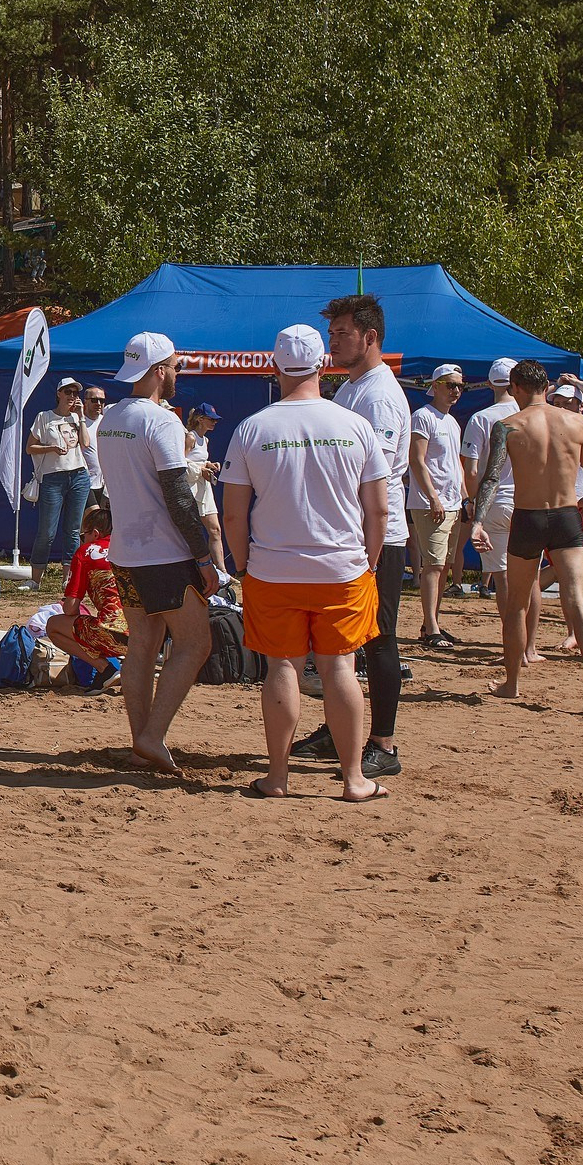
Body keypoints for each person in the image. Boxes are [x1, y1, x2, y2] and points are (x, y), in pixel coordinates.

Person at [220, 325, 389, 803]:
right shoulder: (354, 425)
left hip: (274, 569)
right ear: (323, 365)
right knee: (340, 670)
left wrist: (246, 563)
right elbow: (377, 508)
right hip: (343, 569)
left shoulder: (253, 427)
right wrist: (370, 560)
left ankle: (277, 776)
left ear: (275, 366)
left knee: (283, 669)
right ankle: (354, 779)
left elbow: (234, 511)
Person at [93, 331, 219, 773]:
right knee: (194, 643)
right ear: (160, 370)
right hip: (164, 550)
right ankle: (151, 737)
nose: (178, 375)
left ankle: (141, 741)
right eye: (176, 368)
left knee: (143, 645)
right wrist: (204, 557)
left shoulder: (108, 418)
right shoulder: (161, 421)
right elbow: (178, 496)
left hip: (126, 548)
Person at [297, 295, 408, 783]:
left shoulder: (379, 394)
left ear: (370, 337)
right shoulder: (352, 389)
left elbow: (372, 476)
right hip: (352, 531)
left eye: (342, 333)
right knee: (342, 640)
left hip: (377, 533)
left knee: (379, 637)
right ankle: (337, 729)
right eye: (331, 333)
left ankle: (383, 742)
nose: (332, 342)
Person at [483, 360, 583, 711]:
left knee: (517, 605)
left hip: (528, 517)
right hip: (567, 515)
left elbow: (491, 479)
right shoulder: (576, 421)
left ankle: (511, 684)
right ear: (547, 387)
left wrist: (477, 521)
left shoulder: (508, 425)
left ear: (516, 387)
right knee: (578, 600)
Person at [407, 364, 467, 646]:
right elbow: (416, 461)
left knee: (443, 566)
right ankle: (431, 628)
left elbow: (455, 464)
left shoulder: (451, 422)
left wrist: (464, 499)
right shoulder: (423, 416)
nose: (456, 391)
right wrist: (432, 497)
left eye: (460, 386)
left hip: (451, 503)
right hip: (432, 503)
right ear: (437, 385)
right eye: (451, 385)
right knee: (433, 565)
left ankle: (432, 623)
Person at [41, 505, 126, 686]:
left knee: (54, 625)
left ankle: (104, 668)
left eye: (83, 535)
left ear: (95, 534)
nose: (82, 540)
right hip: (150, 634)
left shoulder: (87, 552)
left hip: (113, 633)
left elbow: (71, 608)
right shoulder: (133, 547)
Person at [461, 356, 522, 602]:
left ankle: (512, 634)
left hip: (494, 503)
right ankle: (525, 639)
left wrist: (472, 501)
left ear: (489, 383)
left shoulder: (480, 418)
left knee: (502, 574)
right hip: (528, 501)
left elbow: (472, 471)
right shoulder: (530, 415)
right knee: (529, 576)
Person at [27, 378, 91, 574]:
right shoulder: (44, 417)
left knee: (73, 530)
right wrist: (51, 448)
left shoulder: (76, 418)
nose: (72, 396)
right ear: (59, 394)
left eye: (75, 393)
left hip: (79, 475)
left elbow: (86, 444)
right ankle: (36, 576)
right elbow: (30, 448)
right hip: (53, 477)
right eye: (68, 392)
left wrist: (80, 417)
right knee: (47, 531)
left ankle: (68, 576)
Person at [182, 401, 230, 576]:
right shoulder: (190, 437)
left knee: (215, 529)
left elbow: (198, 459)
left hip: (204, 489)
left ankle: (223, 572)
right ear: (200, 419)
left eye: (215, 420)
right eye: (211, 419)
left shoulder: (206, 439)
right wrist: (200, 470)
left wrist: (209, 464)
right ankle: (195, 570)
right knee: (191, 532)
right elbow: (180, 463)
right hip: (190, 489)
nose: (214, 423)